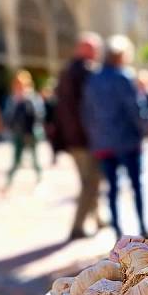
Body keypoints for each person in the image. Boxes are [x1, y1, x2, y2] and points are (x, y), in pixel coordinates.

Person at [81, 35, 148, 238]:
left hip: (103, 143)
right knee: (136, 186)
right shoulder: (124, 77)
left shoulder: (93, 79)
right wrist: (144, 131)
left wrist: (95, 136)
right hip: (127, 141)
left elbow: (86, 112)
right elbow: (135, 109)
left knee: (112, 188)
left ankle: (117, 231)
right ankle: (142, 226)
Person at [55, 32, 103, 241]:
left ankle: (97, 217)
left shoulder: (68, 71)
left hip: (74, 138)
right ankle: (77, 227)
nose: (95, 53)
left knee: (91, 179)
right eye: (93, 49)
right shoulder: (84, 72)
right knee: (90, 182)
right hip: (84, 138)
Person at [4, 70, 44, 188]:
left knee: (34, 158)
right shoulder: (13, 99)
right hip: (18, 133)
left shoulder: (32, 97)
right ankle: (9, 181)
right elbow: (8, 115)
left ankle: (39, 177)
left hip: (31, 133)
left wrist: (26, 101)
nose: (19, 86)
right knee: (16, 159)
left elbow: (39, 115)